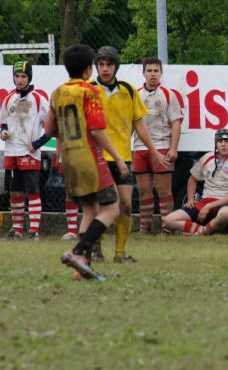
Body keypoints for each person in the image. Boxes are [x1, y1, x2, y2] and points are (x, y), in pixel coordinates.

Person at [43, 44, 129, 281]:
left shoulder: (57, 92)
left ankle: (81, 269)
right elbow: (98, 131)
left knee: (90, 210)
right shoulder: (90, 92)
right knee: (112, 208)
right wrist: (119, 158)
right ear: (89, 69)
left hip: (68, 158)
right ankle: (78, 251)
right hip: (89, 157)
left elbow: (50, 129)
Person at [91, 46, 169, 263]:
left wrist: (153, 150)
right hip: (96, 158)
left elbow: (138, 123)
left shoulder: (128, 90)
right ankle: (96, 248)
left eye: (109, 65)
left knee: (125, 205)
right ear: (96, 66)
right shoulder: (88, 90)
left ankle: (120, 253)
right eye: (101, 65)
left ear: (116, 67)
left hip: (123, 158)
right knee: (100, 206)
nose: (105, 69)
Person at [164, 129, 228, 235]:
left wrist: (209, 206)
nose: (223, 145)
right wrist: (190, 199)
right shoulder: (207, 158)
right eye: (220, 141)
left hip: (227, 203)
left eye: (227, 142)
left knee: (225, 214)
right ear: (216, 144)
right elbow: (192, 179)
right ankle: (201, 230)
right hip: (205, 201)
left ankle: (203, 232)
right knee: (169, 220)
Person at [135, 57, 184, 234]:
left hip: (162, 146)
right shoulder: (136, 95)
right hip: (140, 148)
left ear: (161, 73)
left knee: (163, 190)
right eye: (149, 71)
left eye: (156, 71)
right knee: (143, 191)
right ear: (143, 73)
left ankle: (167, 228)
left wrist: (173, 148)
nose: (153, 74)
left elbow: (176, 123)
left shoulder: (169, 95)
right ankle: (144, 228)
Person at [0, 61, 48, 240]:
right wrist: (3, 132)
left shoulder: (38, 99)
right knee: (15, 192)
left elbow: (52, 124)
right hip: (11, 152)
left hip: (29, 153)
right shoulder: (8, 98)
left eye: (23, 76)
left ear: (30, 78)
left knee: (32, 191)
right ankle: (17, 230)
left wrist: (37, 143)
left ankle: (34, 230)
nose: (19, 80)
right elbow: (3, 122)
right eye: (17, 76)